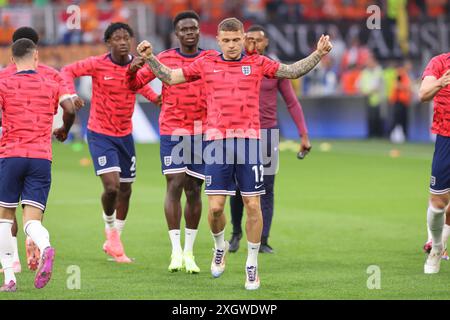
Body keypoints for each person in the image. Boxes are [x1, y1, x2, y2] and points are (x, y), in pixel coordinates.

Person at [137, 17, 332, 289]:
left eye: (236, 40)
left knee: (253, 204)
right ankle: (220, 245)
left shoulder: (257, 63)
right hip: (216, 143)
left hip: (250, 142)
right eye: (226, 40)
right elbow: (171, 77)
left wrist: (318, 54)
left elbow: (291, 71)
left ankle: (251, 265)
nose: (231, 45)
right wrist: (150, 59)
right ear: (218, 41)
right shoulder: (206, 63)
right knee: (216, 209)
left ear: (243, 39)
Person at [61, 22, 161, 263]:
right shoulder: (97, 63)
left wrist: (157, 98)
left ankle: (115, 239)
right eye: (117, 38)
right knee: (112, 187)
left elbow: (139, 86)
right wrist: (70, 94)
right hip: (100, 133)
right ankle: (110, 230)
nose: (123, 41)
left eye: (127, 37)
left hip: (125, 135)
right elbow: (66, 70)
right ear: (108, 42)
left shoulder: (135, 65)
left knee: (126, 189)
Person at [127, 11, 216, 274]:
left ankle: (189, 251)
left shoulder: (210, 58)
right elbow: (135, 82)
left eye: (193, 28)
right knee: (175, 182)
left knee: (194, 190)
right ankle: (175, 250)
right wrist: (133, 67)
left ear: (199, 31)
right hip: (172, 129)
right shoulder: (163, 58)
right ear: (176, 34)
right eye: (184, 29)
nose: (189, 32)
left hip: (202, 131)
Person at [0, 38, 76, 292]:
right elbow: (70, 107)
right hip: (41, 158)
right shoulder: (52, 83)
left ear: (12, 60)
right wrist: (64, 128)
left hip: (10, 155)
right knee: (32, 220)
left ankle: (9, 278)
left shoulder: (4, 81)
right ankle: (45, 247)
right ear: (36, 57)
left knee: (3, 219)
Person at [228, 24, 311, 254]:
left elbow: (292, 101)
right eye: (249, 38)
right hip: (241, 133)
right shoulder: (235, 65)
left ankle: (263, 239)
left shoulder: (274, 69)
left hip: (267, 135)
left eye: (258, 39)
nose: (253, 42)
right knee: (236, 187)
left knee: (267, 187)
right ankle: (236, 233)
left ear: (266, 43)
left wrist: (303, 134)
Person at [419, 51, 450, 274]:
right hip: (446, 138)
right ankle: (437, 244)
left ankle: (437, 252)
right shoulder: (440, 63)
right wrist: (440, 82)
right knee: (438, 203)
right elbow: (423, 94)